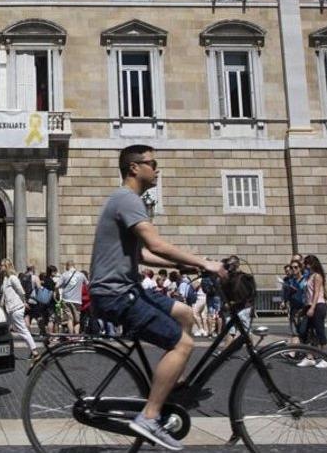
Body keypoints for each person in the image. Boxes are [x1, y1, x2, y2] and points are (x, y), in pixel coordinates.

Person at [89, 145, 226, 451]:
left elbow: (143, 253)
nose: (157, 169)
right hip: (116, 294)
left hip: (126, 289)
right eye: (152, 163)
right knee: (184, 343)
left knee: (185, 314)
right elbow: (156, 243)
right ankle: (149, 416)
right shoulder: (127, 199)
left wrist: (181, 264)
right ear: (134, 168)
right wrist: (205, 263)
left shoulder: (126, 200)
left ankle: (172, 382)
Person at [296, 254, 327, 367]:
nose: (306, 266)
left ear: (312, 264)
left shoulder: (317, 276)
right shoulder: (308, 276)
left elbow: (316, 293)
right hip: (309, 305)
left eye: (307, 264)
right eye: (305, 264)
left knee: (320, 332)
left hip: (318, 306)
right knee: (305, 331)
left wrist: (312, 307)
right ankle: (309, 357)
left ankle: (324, 359)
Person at [0, 259, 38, 359]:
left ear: (6, 267)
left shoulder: (12, 278)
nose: (0, 267)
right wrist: (1, 303)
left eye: (2, 265)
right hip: (8, 309)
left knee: (22, 330)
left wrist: (24, 302)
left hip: (16, 308)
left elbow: (21, 291)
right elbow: (5, 293)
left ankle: (35, 351)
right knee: (5, 330)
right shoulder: (6, 278)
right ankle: (6, 351)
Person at [58, 260, 86, 334]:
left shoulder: (64, 274)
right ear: (74, 265)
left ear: (67, 266)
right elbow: (87, 284)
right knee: (77, 320)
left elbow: (56, 286)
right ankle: (76, 336)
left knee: (69, 319)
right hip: (77, 300)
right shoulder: (81, 275)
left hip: (66, 299)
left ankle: (71, 336)